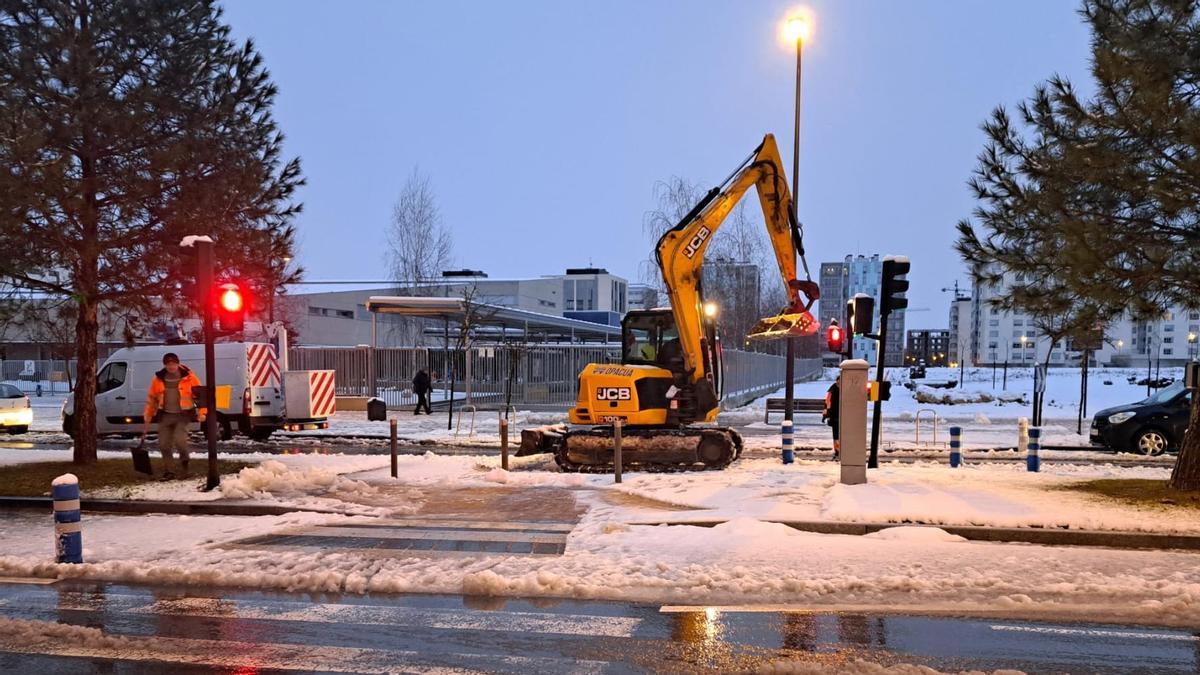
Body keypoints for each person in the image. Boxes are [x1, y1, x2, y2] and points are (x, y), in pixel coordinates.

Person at [142, 352, 204, 479]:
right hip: (165, 416)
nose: (171, 367)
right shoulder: (158, 379)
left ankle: (185, 461)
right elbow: (152, 399)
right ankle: (169, 471)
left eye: (173, 364)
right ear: (165, 365)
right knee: (164, 444)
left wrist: (202, 413)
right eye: (168, 364)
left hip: (183, 415)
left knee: (180, 440)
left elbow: (201, 396)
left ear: (178, 363)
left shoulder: (190, 377)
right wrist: (148, 414)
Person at [822, 377, 841, 460]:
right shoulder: (832, 390)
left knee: (841, 435)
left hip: (842, 416)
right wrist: (825, 415)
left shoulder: (833, 390)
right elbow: (827, 404)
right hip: (835, 416)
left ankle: (840, 450)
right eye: (838, 381)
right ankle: (837, 450)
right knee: (836, 436)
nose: (839, 383)